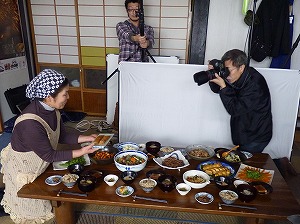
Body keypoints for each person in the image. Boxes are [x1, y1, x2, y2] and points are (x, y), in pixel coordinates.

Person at [0, 69, 98, 223]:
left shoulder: (53, 110)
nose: (68, 97)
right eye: (65, 94)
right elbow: (49, 155)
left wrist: (87, 137)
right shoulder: (30, 123)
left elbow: (62, 136)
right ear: (49, 97)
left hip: (41, 161)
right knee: (30, 210)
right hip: (26, 167)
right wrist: (81, 151)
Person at [209, 49, 272, 153]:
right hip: (243, 131)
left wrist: (224, 87)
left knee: (245, 166)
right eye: (225, 69)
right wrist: (214, 74)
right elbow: (216, 89)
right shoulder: (236, 75)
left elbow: (234, 109)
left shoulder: (255, 84)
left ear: (241, 67)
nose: (226, 74)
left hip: (255, 136)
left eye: (229, 70)